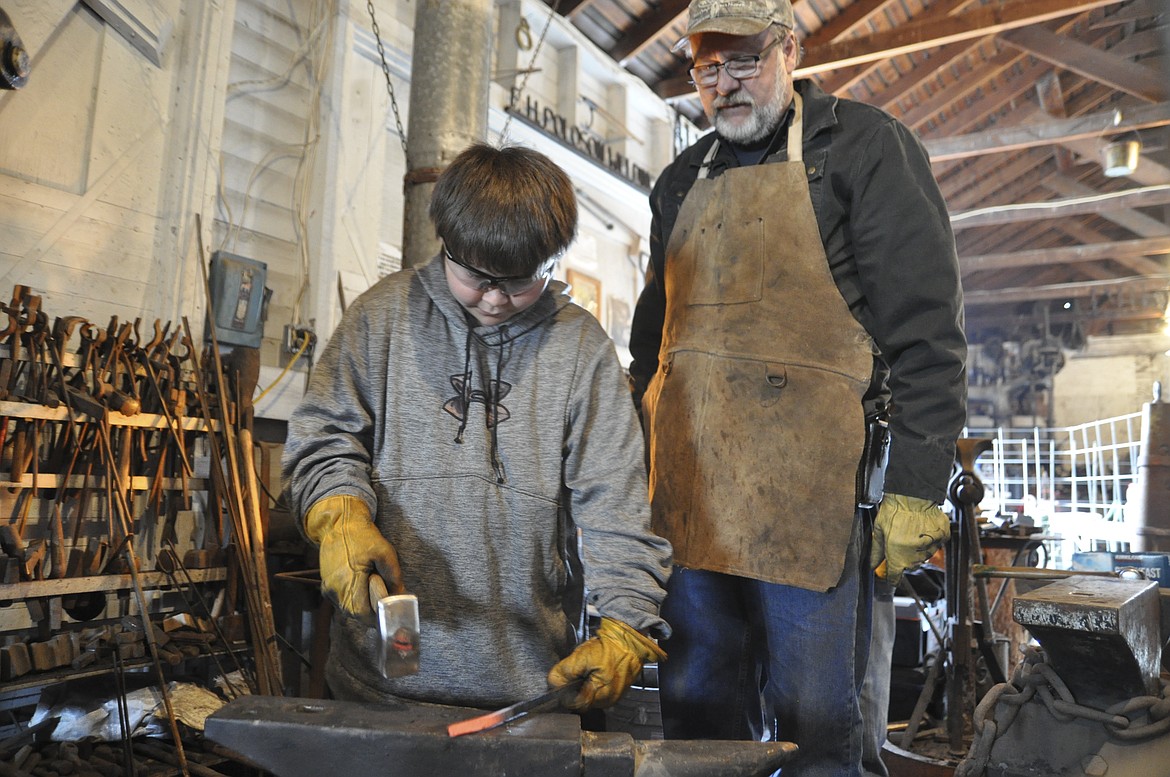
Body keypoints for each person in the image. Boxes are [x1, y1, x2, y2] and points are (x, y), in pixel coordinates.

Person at [627, 0, 968, 774]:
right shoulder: (681, 181)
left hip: (816, 502)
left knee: (824, 733)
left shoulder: (866, 151)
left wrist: (917, 484)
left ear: (789, 48)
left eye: (744, 61)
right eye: (708, 69)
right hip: (695, 503)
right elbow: (654, 348)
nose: (725, 84)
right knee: (699, 725)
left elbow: (928, 337)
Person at [283, 142, 672, 714]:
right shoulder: (381, 317)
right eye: (476, 277)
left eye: (518, 282)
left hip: (528, 689)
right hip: (382, 678)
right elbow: (324, 436)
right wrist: (339, 513)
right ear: (447, 243)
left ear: (551, 260)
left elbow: (616, 502)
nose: (494, 299)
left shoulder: (581, 349)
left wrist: (625, 623)